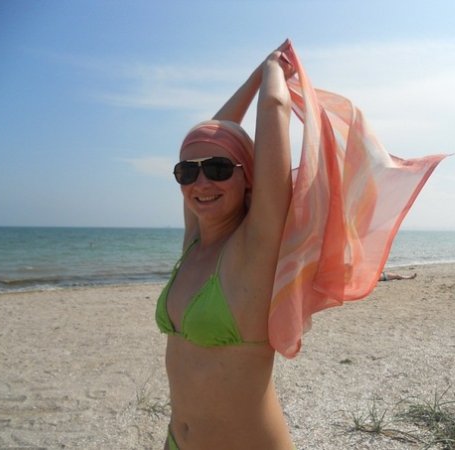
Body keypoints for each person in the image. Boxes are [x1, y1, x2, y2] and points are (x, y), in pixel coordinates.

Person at [155, 41, 296, 450]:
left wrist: (271, 70)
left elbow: (274, 109)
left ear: (248, 177)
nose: (201, 183)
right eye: (188, 172)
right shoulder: (195, 240)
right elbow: (216, 131)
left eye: (218, 169)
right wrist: (252, 77)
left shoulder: (256, 247)